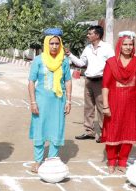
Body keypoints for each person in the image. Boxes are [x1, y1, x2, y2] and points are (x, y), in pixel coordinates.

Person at [27, 28, 72, 173]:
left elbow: (68, 81)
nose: (54, 46)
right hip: (41, 101)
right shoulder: (39, 60)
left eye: (57, 44)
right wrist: (33, 102)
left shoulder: (63, 61)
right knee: (40, 130)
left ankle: (52, 160)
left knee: (56, 129)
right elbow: (31, 82)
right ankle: (37, 161)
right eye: (51, 43)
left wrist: (69, 101)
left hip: (58, 101)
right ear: (47, 44)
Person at [101, 31, 136, 174]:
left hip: (132, 104)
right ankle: (111, 162)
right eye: (125, 44)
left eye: (130, 44)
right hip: (114, 103)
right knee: (113, 132)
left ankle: (122, 161)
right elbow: (105, 86)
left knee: (129, 132)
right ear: (119, 45)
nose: (128, 47)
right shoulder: (111, 63)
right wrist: (106, 105)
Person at [66, 25, 114, 143]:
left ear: (97, 35)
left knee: (102, 107)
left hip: (102, 81)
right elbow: (82, 63)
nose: (87, 35)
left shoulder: (107, 48)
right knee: (88, 107)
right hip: (88, 81)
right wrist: (70, 54)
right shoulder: (87, 48)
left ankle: (105, 133)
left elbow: (113, 64)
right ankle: (89, 131)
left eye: (89, 33)